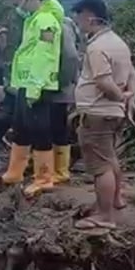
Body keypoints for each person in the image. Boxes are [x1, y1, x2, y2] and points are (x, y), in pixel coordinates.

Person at [0, 0, 65, 198]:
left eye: (18, 1)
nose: (18, 6)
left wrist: (35, 88)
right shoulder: (32, 19)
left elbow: (45, 56)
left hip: (38, 85)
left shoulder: (46, 21)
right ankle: (15, 172)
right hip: (25, 83)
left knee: (40, 129)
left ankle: (44, 178)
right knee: (21, 127)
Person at [72, 0, 135, 229]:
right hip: (112, 113)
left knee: (100, 168)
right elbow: (132, 75)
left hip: (97, 113)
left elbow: (103, 82)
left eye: (79, 17)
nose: (77, 22)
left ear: (89, 17)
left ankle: (104, 215)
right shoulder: (118, 43)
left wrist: (121, 97)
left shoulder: (97, 47)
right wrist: (129, 99)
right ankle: (116, 200)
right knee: (110, 159)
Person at [48, 17, 82, 183]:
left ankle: (60, 171)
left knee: (57, 128)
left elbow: (70, 57)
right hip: (49, 87)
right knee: (52, 127)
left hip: (57, 89)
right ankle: (51, 167)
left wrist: (61, 82)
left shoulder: (59, 24)